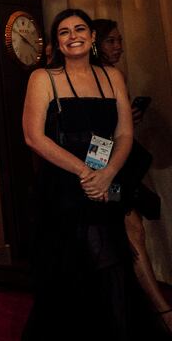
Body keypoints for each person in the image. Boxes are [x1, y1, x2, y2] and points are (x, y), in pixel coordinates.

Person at [21, 8, 158, 340]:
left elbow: (124, 133)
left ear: (92, 36)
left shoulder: (112, 76)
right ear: (57, 42)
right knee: (76, 268)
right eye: (64, 32)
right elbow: (33, 137)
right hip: (62, 187)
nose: (73, 36)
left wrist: (108, 173)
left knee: (113, 259)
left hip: (106, 182)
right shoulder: (43, 79)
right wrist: (86, 173)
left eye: (80, 28)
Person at [92, 18, 172, 334]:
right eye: (111, 41)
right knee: (129, 231)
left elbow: (115, 128)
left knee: (129, 232)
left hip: (116, 168)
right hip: (104, 170)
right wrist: (98, 174)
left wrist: (127, 123)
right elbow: (97, 133)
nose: (119, 47)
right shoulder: (97, 77)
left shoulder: (115, 76)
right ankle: (161, 310)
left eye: (120, 40)